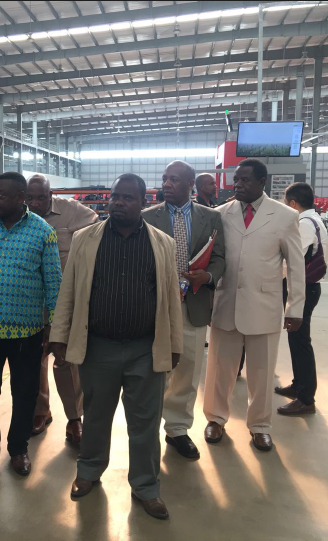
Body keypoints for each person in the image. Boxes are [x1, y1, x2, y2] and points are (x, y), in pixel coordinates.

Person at [49, 173, 183, 520]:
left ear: (143, 201)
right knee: (95, 416)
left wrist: (174, 344)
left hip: (145, 349)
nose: (118, 203)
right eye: (115, 196)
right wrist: (59, 336)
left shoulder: (162, 243)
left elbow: (171, 297)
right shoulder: (85, 239)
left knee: (145, 423)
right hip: (99, 348)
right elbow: (69, 291)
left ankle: (146, 486)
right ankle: (89, 470)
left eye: (127, 197)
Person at [0, 172, 62, 482]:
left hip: (26, 333)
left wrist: (53, 326)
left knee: (25, 393)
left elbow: (53, 283)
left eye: (2, 195)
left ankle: (18, 449)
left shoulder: (43, 232)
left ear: (20, 197)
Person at [203, 159, 305, 452]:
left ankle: (260, 426)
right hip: (226, 302)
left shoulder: (285, 216)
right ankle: (216, 418)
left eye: (245, 180)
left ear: (262, 182)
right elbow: (213, 260)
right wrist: (208, 301)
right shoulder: (220, 214)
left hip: (264, 304)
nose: (238, 185)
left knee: (262, 372)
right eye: (236, 179)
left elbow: (295, 266)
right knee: (220, 368)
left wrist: (295, 308)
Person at [142, 161, 225, 460]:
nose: (166, 184)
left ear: (190, 183)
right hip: (156, 306)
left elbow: (219, 257)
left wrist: (209, 276)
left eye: (174, 179)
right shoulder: (147, 217)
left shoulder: (211, 217)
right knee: (154, 369)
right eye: (165, 178)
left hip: (194, 303)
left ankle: (177, 429)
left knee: (188, 370)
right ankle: (147, 428)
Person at [25, 174, 99, 445]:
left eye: (40, 198)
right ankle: (40, 411)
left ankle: (74, 418)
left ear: (51, 195)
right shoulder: (19, 216)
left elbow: (97, 231)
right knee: (35, 359)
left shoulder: (72, 211)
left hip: (63, 302)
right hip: (30, 301)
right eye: (30, 198)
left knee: (65, 360)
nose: (35, 203)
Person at [274, 182, 328, 415]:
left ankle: (306, 398)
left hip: (304, 289)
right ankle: (299, 385)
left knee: (300, 341)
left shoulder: (305, 224)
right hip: (305, 288)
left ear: (293, 203)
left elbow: (294, 260)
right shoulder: (312, 219)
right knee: (296, 339)